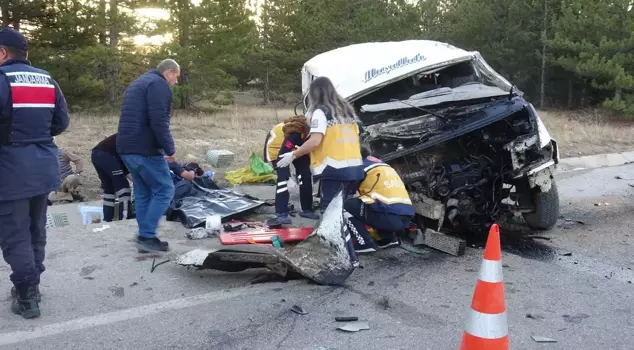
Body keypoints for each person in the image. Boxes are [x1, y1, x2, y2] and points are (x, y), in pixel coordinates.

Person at [0, 27, 69, 319]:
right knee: (35, 230)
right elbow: (61, 122)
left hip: (10, 170)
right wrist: (37, 137)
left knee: (15, 235)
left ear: (2, 53)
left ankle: (27, 295)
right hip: (44, 167)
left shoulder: (2, 80)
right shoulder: (47, 79)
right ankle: (33, 283)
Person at [116, 59, 180, 253]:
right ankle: (147, 235)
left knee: (143, 191)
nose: (176, 82)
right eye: (176, 76)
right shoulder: (158, 85)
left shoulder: (139, 82)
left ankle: (145, 236)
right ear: (169, 72)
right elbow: (159, 120)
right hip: (144, 148)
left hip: (126, 147)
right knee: (165, 189)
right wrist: (169, 148)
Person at [276, 77, 365, 213]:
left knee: (329, 212)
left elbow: (315, 141)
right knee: (345, 211)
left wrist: (293, 154)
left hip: (334, 171)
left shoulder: (321, 112)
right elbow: (344, 141)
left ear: (314, 94)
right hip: (355, 170)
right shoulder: (348, 112)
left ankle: (331, 235)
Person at [344, 146, 415, 253]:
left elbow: (347, 192)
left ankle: (364, 243)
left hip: (388, 216)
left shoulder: (359, 166)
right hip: (406, 216)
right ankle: (388, 239)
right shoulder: (381, 164)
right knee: (374, 203)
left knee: (345, 206)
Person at [263, 115, 318, 227]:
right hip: (278, 149)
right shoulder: (295, 133)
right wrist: (287, 178)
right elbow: (282, 155)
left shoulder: (314, 133)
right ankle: (281, 212)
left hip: (295, 149)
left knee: (305, 175)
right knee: (283, 182)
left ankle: (306, 209)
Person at [91, 133, 134, 222]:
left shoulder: (126, 135)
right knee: (123, 187)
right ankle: (125, 217)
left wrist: (137, 180)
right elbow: (125, 166)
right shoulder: (134, 138)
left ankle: (107, 218)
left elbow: (124, 169)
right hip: (106, 156)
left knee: (109, 188)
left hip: (96, 155)